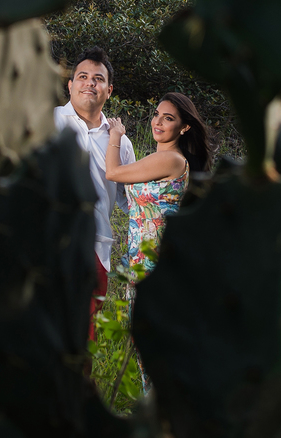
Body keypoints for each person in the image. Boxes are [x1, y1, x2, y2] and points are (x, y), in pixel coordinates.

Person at [52, 47, 134, 335]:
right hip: (45, 244)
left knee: (80, 343)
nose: (90, 83)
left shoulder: (120, 142)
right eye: (83, 76)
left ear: (109, 90)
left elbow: (130, 201)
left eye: (98, 79)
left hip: (94, 249)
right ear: (70, 84)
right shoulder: (46, 123)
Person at [105, 92, 215, 274]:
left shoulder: (170, 159)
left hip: (155, 258)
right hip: (142, 255)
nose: (158, 122)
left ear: (185, 127)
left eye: (168, 118)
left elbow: (113, 172)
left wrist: (116, 134)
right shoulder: (164, 159)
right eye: (156, 114)